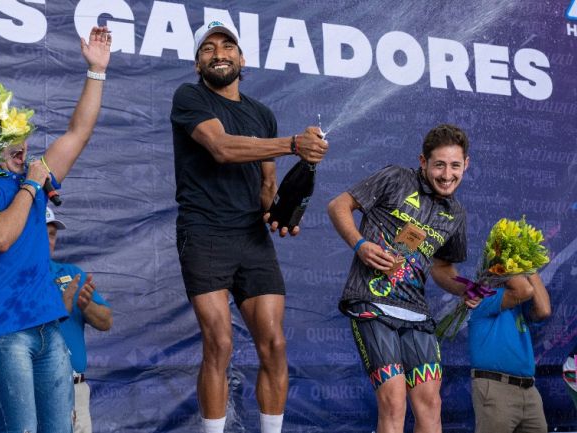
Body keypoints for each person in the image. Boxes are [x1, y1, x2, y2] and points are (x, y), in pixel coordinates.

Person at [169, 20, 328, 433]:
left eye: (227, 46)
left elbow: (267, 183)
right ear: (196, 63)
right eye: (208, 48)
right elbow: (221, 147)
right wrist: (294, 144)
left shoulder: (262, 114)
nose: (219, 53)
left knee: (274, 344)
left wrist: (282, 212)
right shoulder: (189, 97)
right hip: (203, 233)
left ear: (242, 59)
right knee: (219, 342)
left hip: (251, 238)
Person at [0, 26, 111, 432]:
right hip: (1, 332)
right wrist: (32, 185)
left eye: (24, 135)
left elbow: (77, 133)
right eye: (10, 137)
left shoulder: (34, 179)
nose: (24, 144)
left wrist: (96, 71)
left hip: (50, 328)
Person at [327, 124, 479, 433]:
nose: (447, 174)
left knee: (431, 404)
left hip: (417, 313)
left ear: (466, 164)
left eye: (455, 165)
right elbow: (338, 205)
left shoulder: (456, 214)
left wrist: (468, 289)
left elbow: (442, 270)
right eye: (439, 164)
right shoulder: (396, 177)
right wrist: (360, 244)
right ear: (423, 162)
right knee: (394, 399)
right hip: (372, 304)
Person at [46, 207, 113, 433]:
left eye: (52, 235)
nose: (48, 241)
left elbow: (106, 321)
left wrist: (87, 305)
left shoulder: (71, 273)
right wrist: (59, 309)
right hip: (39, 387)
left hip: (76, 388)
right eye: (42, 233)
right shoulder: (16, 278)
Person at [468, 273, 551, 433]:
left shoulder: (520, 304)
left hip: (528, 390)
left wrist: (531, 270)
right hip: (496, 388)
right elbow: (525, 290)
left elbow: (544, 310)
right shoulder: (484, 296)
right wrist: (510, 258)